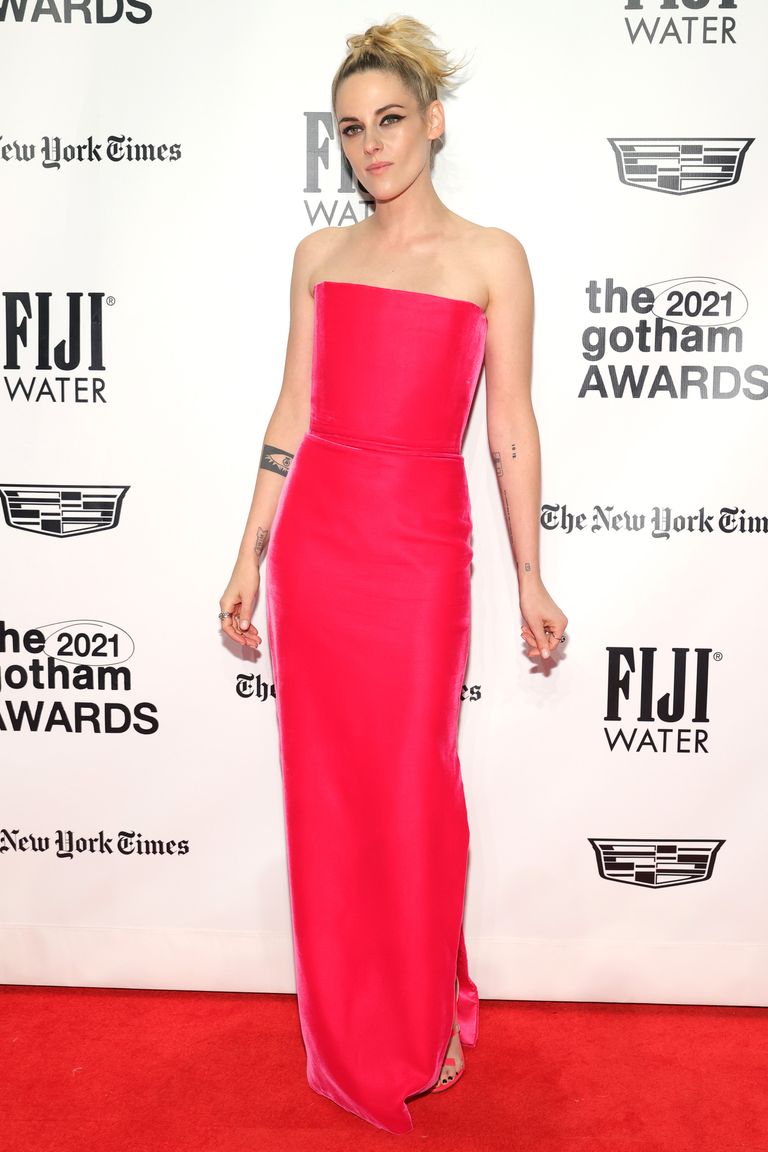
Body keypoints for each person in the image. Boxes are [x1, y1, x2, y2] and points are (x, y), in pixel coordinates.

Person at [219, 15, 568, 1135]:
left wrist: (531, 575)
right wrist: (250, 549)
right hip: (319, 542)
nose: (371, 145)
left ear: (434, 122)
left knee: (414, 783)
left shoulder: (491, 258)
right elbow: (293, 408)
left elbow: (508, 426)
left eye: (390, 121)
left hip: (418, 542)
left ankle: (420, 1013)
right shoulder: (319, 259)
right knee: (328, 794)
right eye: (352, 129)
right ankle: (347, 1029)